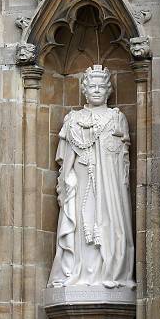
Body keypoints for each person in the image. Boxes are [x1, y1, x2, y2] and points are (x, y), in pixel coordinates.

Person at [47, 65, 135, 288]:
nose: (96, 90)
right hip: (82, 178)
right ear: (84, 90)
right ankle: (78, 273)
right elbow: (66, 159)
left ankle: (110, 272)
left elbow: (122, 158)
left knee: (107, 222)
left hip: (109, 184)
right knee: (80, 225)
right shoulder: (73, 119)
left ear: (108, 91)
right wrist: (67, 181)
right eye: (92, 86)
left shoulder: (117, 117)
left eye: (101, 87)